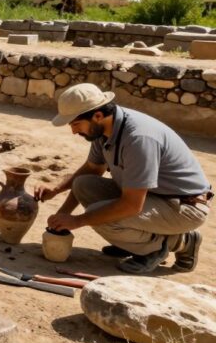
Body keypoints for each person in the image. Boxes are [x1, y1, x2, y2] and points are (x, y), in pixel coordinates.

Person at [35, 83, 211, 274]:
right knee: (84, 184)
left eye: (76, 124)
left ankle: (174, 243)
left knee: (99, 216)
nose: (74, 131)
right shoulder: (104, 130)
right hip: (153, 197)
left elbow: (131, 205)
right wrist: (58, 200)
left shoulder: (138, 138)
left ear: (97, 116)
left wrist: (77, 221)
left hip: (183, 207)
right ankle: (132, 242)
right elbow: (92, 170)